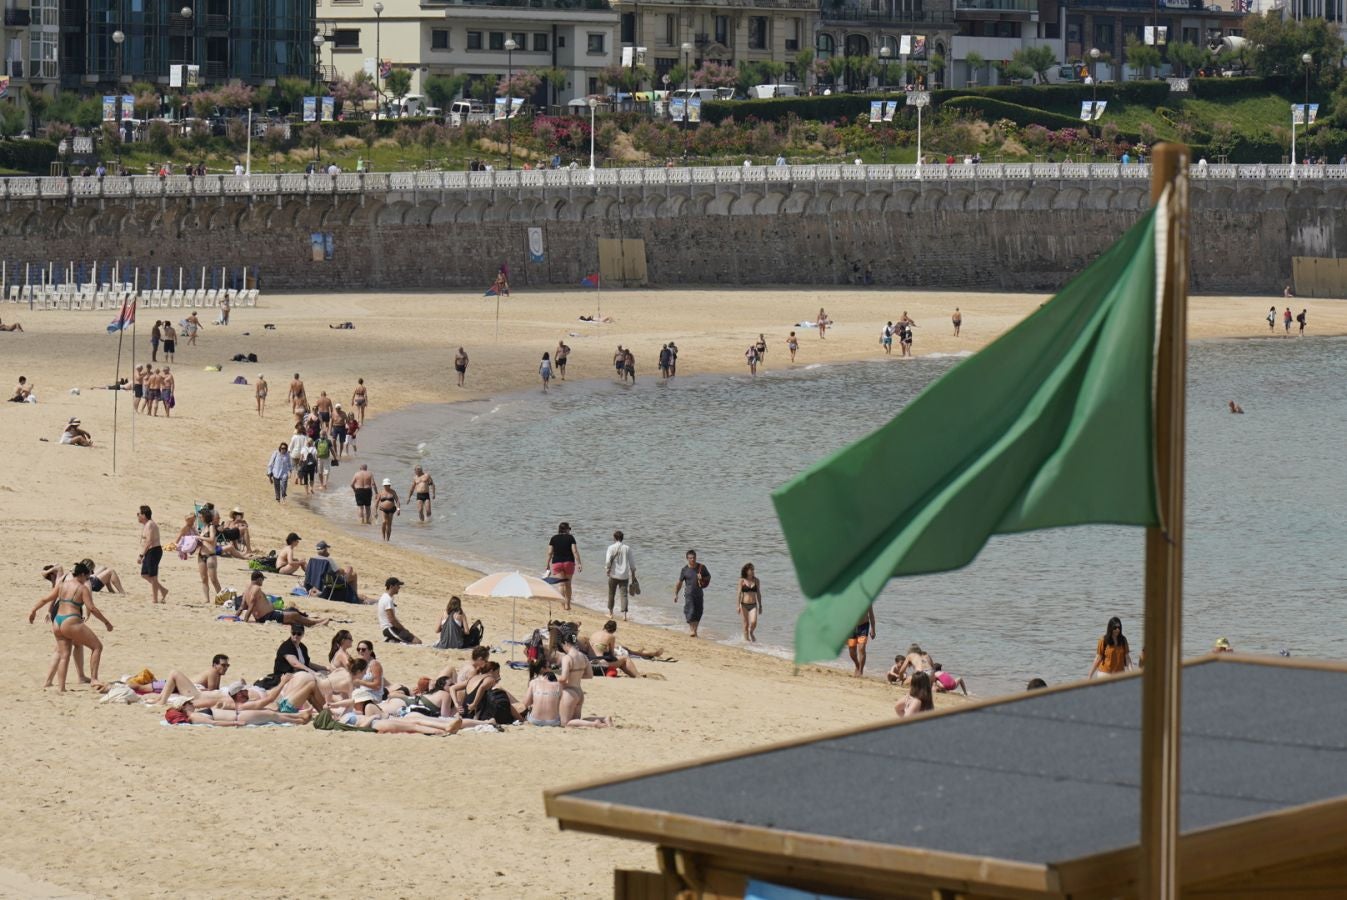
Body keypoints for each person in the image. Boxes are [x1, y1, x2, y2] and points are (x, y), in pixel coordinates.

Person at [44, 562, 113, 692]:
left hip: (57, 614)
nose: (89, 578)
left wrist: (45, 611)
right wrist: (106, 622)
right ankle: (92, 678)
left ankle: (53, 682)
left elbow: (50, 597)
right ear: (83, 574)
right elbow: (90, 606)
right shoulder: (83, 585)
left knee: (66, 650)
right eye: (88, 575)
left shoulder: (63, 579)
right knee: (94, 646)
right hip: (71, 617)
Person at [239, 572, 329, 627]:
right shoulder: (256, 589)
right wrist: (245, 621)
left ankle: (314, 623)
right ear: (259, 579)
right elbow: (252, 605)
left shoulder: (247, 588)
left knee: (292, 619)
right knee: (294, 615)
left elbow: (242, 606)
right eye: (262, 580)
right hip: (268, 616)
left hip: (267, 615)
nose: (262, 582)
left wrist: (236, 617)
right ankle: (316, 623)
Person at [545, 522, 581, 611]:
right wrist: (579, 563)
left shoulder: (553, 538)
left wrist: (547, 564)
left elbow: (550, 553)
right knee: (568, 585)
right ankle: (568, 605)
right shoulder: (571, 538)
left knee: (561, 585)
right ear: (566, 529)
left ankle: (562, 605)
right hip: (569, 562)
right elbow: (575, 551)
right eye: (569, 529)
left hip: (557, 563)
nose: (569, 530)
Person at [673, 549, 709, 638]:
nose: (692, 559)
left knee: (699, 612)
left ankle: (694, 630)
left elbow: (708, 577)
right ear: (687, 559)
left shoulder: (701, 567)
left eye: (694, 558)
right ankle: (692, 630)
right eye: (690, 558)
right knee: (689, 611)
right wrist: (676, 594)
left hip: (699, 593)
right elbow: (679, 583)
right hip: (689, 594)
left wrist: (702, 578)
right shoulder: (684, 570)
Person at [136, 505, 167, 603]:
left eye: (139, 514)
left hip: (154, 551)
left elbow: (149, 541)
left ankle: (155, 599)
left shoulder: (150, 524)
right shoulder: (146, 525)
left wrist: (141, 555)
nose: (137, 516)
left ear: (144, 515)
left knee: (153, 576)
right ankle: (163, 590)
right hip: (149, 551)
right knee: (144, 574)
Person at [604, 529, 636, 620]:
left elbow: (607, 561)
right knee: (624, 595)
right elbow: (632, 562)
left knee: (611, 593)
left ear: (614, 538)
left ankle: (610, 613)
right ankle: (624, 615)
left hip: (613, 574)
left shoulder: (611, 547)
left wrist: (607, 569)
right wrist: (633, 572)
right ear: (622, 538)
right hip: (624, 576)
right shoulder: (627, 548)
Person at [378, 577, 420, 644]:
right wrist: (402, 629)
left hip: (391, 628)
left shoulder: (386, 597)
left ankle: (392, 640)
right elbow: (392, 620)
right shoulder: (387, 599)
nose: (399, 588)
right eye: (397, 586)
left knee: (415, 640)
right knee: (417, 642)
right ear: (391, 586)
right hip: (390, 628)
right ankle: (392, 640)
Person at [847, 606, 877, 677]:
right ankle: (857, 665)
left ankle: (860, 671)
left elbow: (871, 616)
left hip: (864, 626)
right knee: (852, 652)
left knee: (862, 648)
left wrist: (873, 629)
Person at [736, 563, 762, 642]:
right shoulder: (742, 580)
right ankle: (747, 642)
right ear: (747, 571)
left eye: (753, 570)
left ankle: (751, 632)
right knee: (746, 624)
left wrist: (760, 605)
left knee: (754, 622)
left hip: (753, 605)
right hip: (744, 605)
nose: (753, 571)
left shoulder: (756, 580)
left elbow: (758, 593)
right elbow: (739, 593)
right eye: (751, 570)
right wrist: (738, 605)